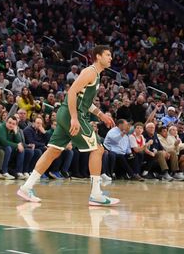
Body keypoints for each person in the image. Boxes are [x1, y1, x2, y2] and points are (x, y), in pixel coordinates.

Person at [17, 45, 119, 206]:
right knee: (98, 149)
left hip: (67, 114)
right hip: (73, 114)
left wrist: (101, 114)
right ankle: (96, 194)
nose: (110, 58)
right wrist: (74, 118)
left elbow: (84, 101)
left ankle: (26, 187)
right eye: (107, 55)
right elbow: (71, 92)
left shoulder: (97, 75)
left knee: (53, 151)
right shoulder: (90, 72)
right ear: (98, 56)